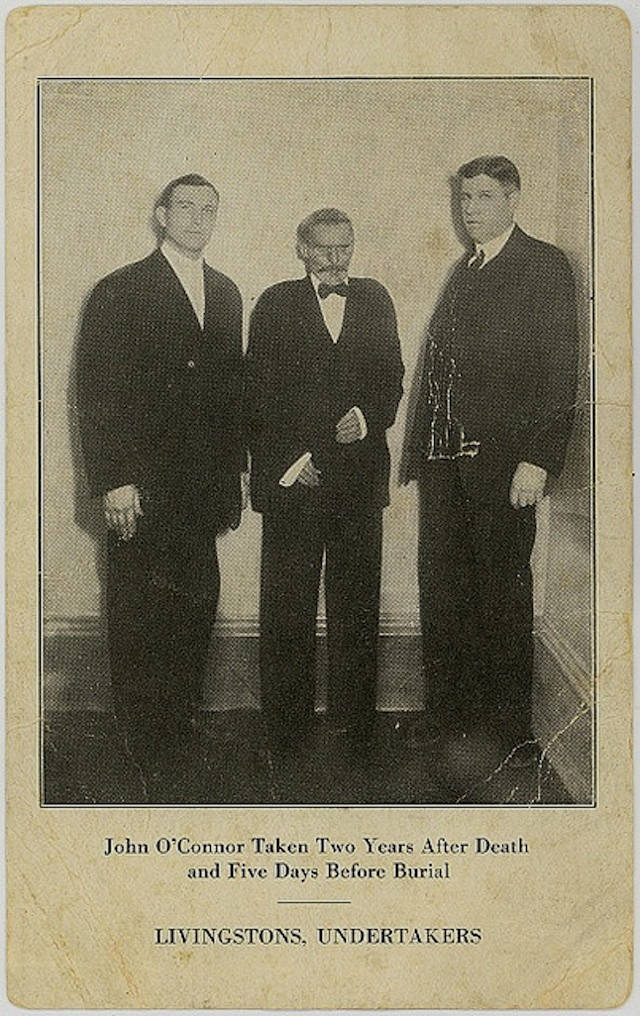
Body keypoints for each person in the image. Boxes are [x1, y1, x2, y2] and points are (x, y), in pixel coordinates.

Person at [76, 174, 244, 796]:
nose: (198, 220)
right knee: (138, 611)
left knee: (196, 605)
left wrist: (233, 477)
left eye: (210, 210)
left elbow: (230, 393)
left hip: (201, 491)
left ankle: (178, 730)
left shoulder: (226, 293)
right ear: (160, 214)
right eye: (187, 209)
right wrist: (115, 480)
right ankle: (141, 745)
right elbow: (97, 391)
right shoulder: (119, 290)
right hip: (140, 490)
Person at [405, 155, 578, 757]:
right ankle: (450, 718)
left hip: (505, 469)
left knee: (502, 594)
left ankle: (506, 733)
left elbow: (560, 373)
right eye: (464, 199)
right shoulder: (467, 266)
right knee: (445, 590)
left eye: (481, 197)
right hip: (445, 466)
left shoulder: (543, 265)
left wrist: (538, 459)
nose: (469, 209)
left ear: (513, 198)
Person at [245, 208, 404, 755]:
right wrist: (290, 461)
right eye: (324, 249)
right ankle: (285, 726)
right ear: (302, 250)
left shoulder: (376, 299)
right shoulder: (273, 303)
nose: (336, 260)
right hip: (297, 482)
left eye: (345, 248)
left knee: (356, 602)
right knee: (286, 603)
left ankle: (354, 722)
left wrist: (367, 417)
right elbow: (258, 393)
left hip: (359, 483)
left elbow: (392, 377)